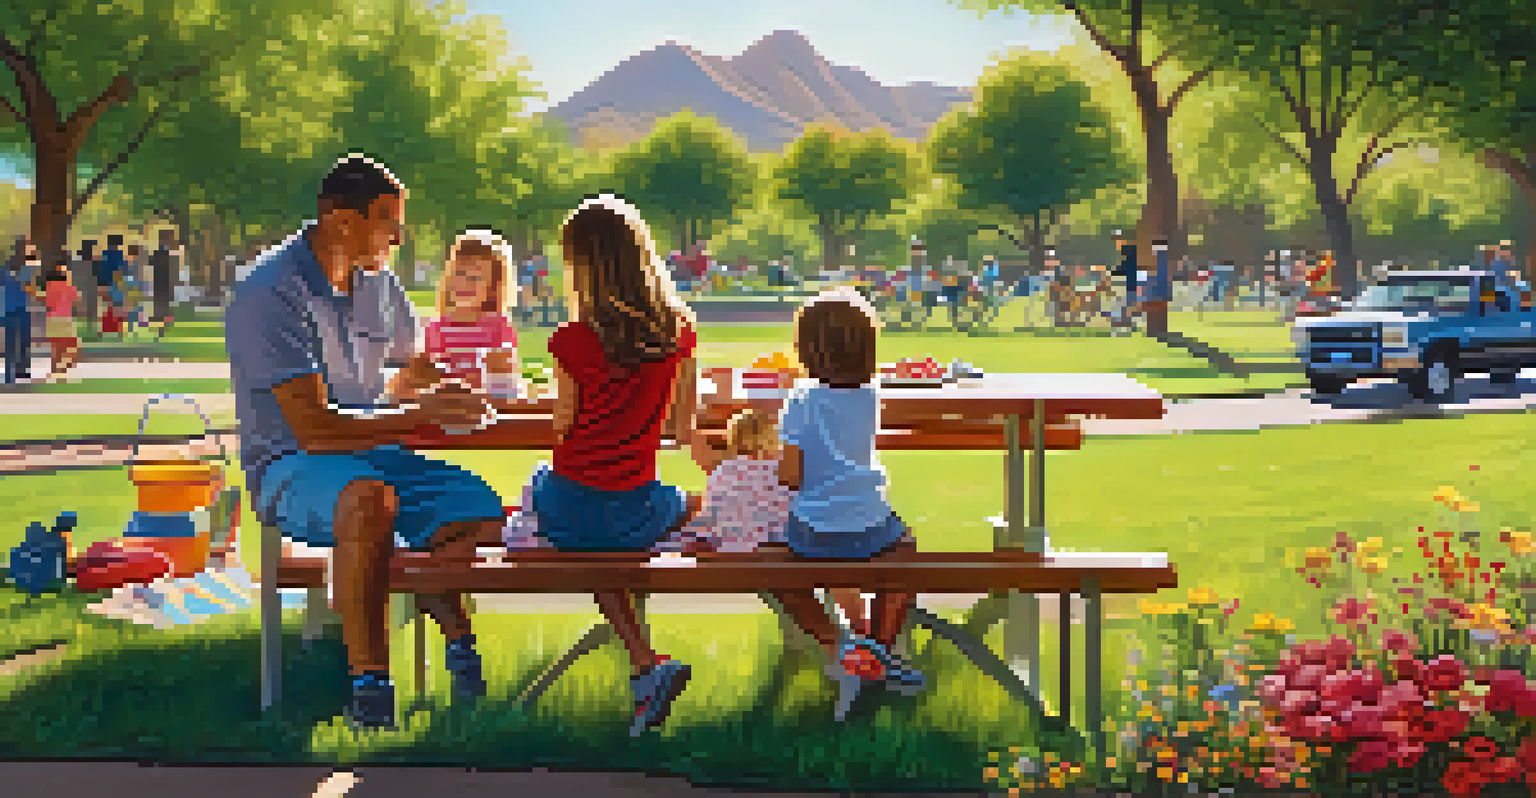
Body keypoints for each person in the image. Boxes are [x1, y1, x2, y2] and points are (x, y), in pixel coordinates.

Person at [223, 155, 505, 730]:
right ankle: (371, 687)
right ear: (338, 218)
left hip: (371, 451)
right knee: (369, 499)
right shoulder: (270, 293)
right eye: (386, 221)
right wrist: (419, 412)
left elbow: (410, 363)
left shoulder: (379, 283)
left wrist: (447, 386)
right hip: (291, 461)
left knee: (479, 510)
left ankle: (458, 644)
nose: (399, 236)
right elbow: (314, 429)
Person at [527, 193, 704, 736]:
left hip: (570, 506)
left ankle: (645, 662)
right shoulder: (679, 332)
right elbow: (681, 426)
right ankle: (644, 665)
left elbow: (563, 423)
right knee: (695, 507)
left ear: (583, 267)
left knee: (567, 516)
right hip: (636, 509)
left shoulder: (572, 341)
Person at [763, 287, 927, 714]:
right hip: (871, 525)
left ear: (806, 349)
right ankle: (880, 648)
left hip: (814, 531)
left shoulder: (799, 400)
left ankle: (840, 647)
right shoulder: (871, 394)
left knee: (778, 577)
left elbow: (790, 476)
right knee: (906, 550)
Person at [670, 408, 794, 554]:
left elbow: (709, 520)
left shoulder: (722, 472)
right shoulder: (783, 473)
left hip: (728, 551)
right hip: (774, 551)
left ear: (733, 438)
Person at [423, 230, 519, 397]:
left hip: (488, 406)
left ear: (492, 286)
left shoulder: (498, 325)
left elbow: (504, 381)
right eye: (458, 274)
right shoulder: (436, 328)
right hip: (446, 408)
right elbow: (427, 378)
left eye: (474, 278)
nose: (463, 283)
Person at [42, 260, 80, 380]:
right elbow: (76, 300)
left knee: (56, 346)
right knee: (68, 344)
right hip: (65, 318)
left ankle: (55, 368)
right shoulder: (69, 287)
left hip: (53, 318)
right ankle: (64, 367)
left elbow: (47, 302)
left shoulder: (50, 286)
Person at [1, 247, 29, 383]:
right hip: (15, 311)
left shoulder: (21, 273)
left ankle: (14, 373)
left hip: (14, 311)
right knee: (17, 343)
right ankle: (14, 373)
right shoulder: (20, 273)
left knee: (16, 344)